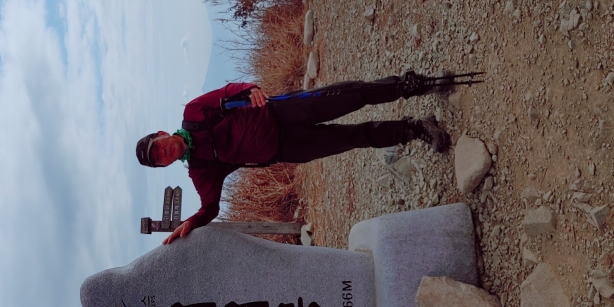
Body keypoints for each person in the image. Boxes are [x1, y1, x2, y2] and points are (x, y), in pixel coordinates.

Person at [135, 72, 453, 244]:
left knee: (351, 96)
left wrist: (251, 90)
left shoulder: (193, 113)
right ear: (165, 165)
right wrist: (190, 223)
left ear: (162, 133)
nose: (163, 153)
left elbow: (229, 91)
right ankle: (415, 128)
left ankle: (413, 85)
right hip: (286, 149)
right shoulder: (201, 170)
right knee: (354, 138)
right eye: (159, 159)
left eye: (158, 146)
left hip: (282, 110)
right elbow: (210, 207)